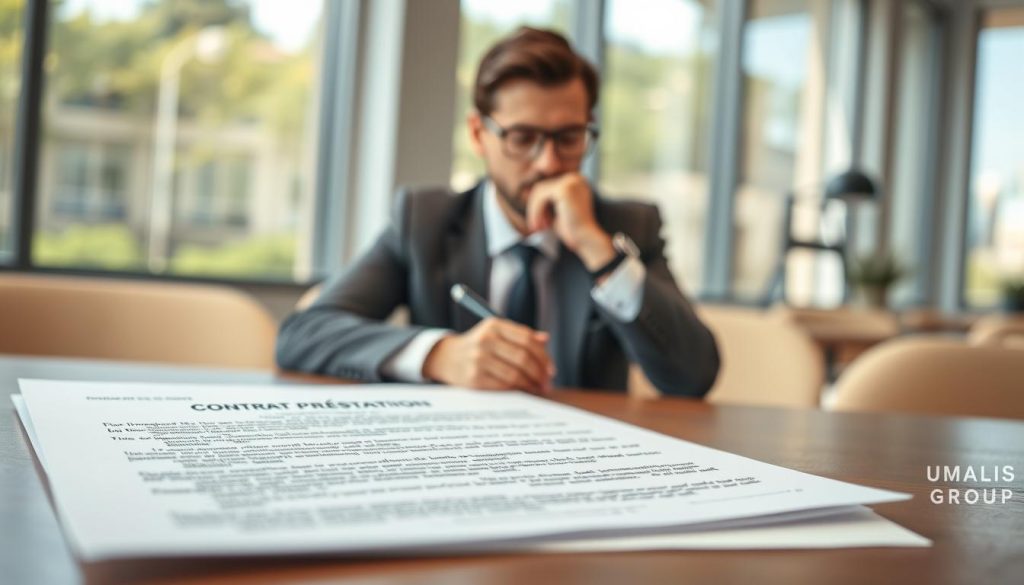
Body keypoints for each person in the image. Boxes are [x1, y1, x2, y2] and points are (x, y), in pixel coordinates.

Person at [276, 27, 719, 397]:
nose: (548, 162)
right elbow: (304, 334)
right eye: (523, 137)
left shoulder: (626, 227)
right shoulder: (424, 220)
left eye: (568, 137)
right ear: (478, 134)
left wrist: (598, 251)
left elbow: (693, 376)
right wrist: (440, 355)